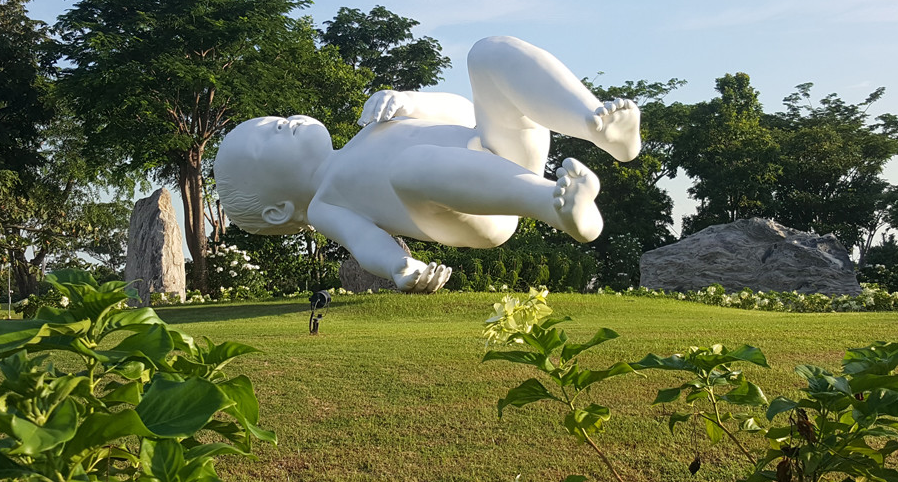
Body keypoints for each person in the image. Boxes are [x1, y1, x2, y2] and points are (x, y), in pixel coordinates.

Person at [214, 36, 641, 293]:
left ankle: (594, 123)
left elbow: (459, 112)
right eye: (265, 138)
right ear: (277, 209)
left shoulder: (371, 130)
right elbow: (365, 244)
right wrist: (403, 268)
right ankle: (556, 205)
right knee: (410, 166)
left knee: (488, 54)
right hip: (471, 212)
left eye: (272, 120)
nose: (280, 123)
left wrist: (410, 101)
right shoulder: (327, 204)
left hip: (496, 150)